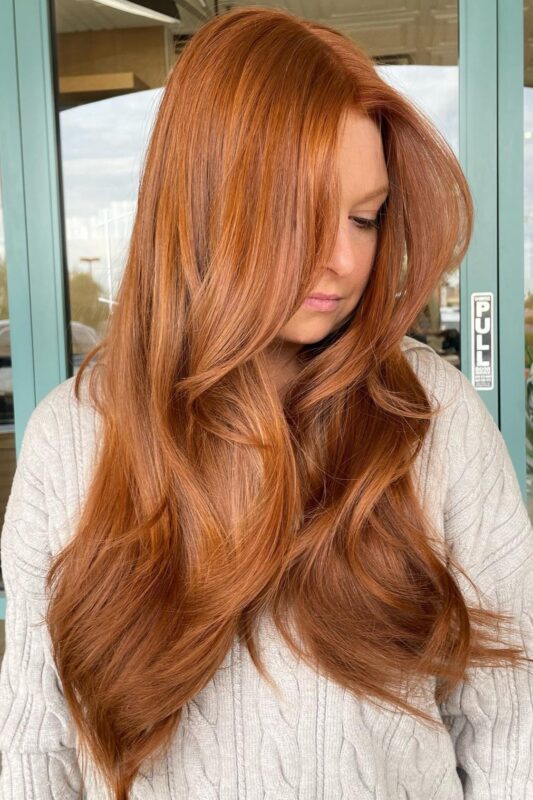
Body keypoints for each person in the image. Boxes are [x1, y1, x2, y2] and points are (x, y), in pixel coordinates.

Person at [0, 6, 532, 800]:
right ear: (207, 204)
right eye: (302, 215)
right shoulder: (72, 441)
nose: (345, 259)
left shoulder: (432, 416)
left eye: (365, 217)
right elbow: (36, 749)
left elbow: (510, 722)